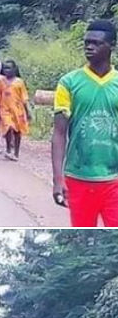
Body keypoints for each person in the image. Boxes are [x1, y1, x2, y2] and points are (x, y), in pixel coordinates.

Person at [52, 20, 118, 226]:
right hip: (78, 177)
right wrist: (57, 179)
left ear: (111, 46)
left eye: (96, 43)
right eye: (87, 43)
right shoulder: (68, 83)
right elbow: (59, 133)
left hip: (114, 179)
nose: (89, 47)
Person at [0, 60, 31, 161]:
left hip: (18, 110)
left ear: (14, 69)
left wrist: (28, 112)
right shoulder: (0, 82)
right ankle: (8, 149)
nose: (7, 70)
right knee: (8, 128)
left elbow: (24, 98)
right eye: (5, 68)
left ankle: (16, 153)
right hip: (4, 110)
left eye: (9, 68)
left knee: (17, 132)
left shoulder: (19, 82)